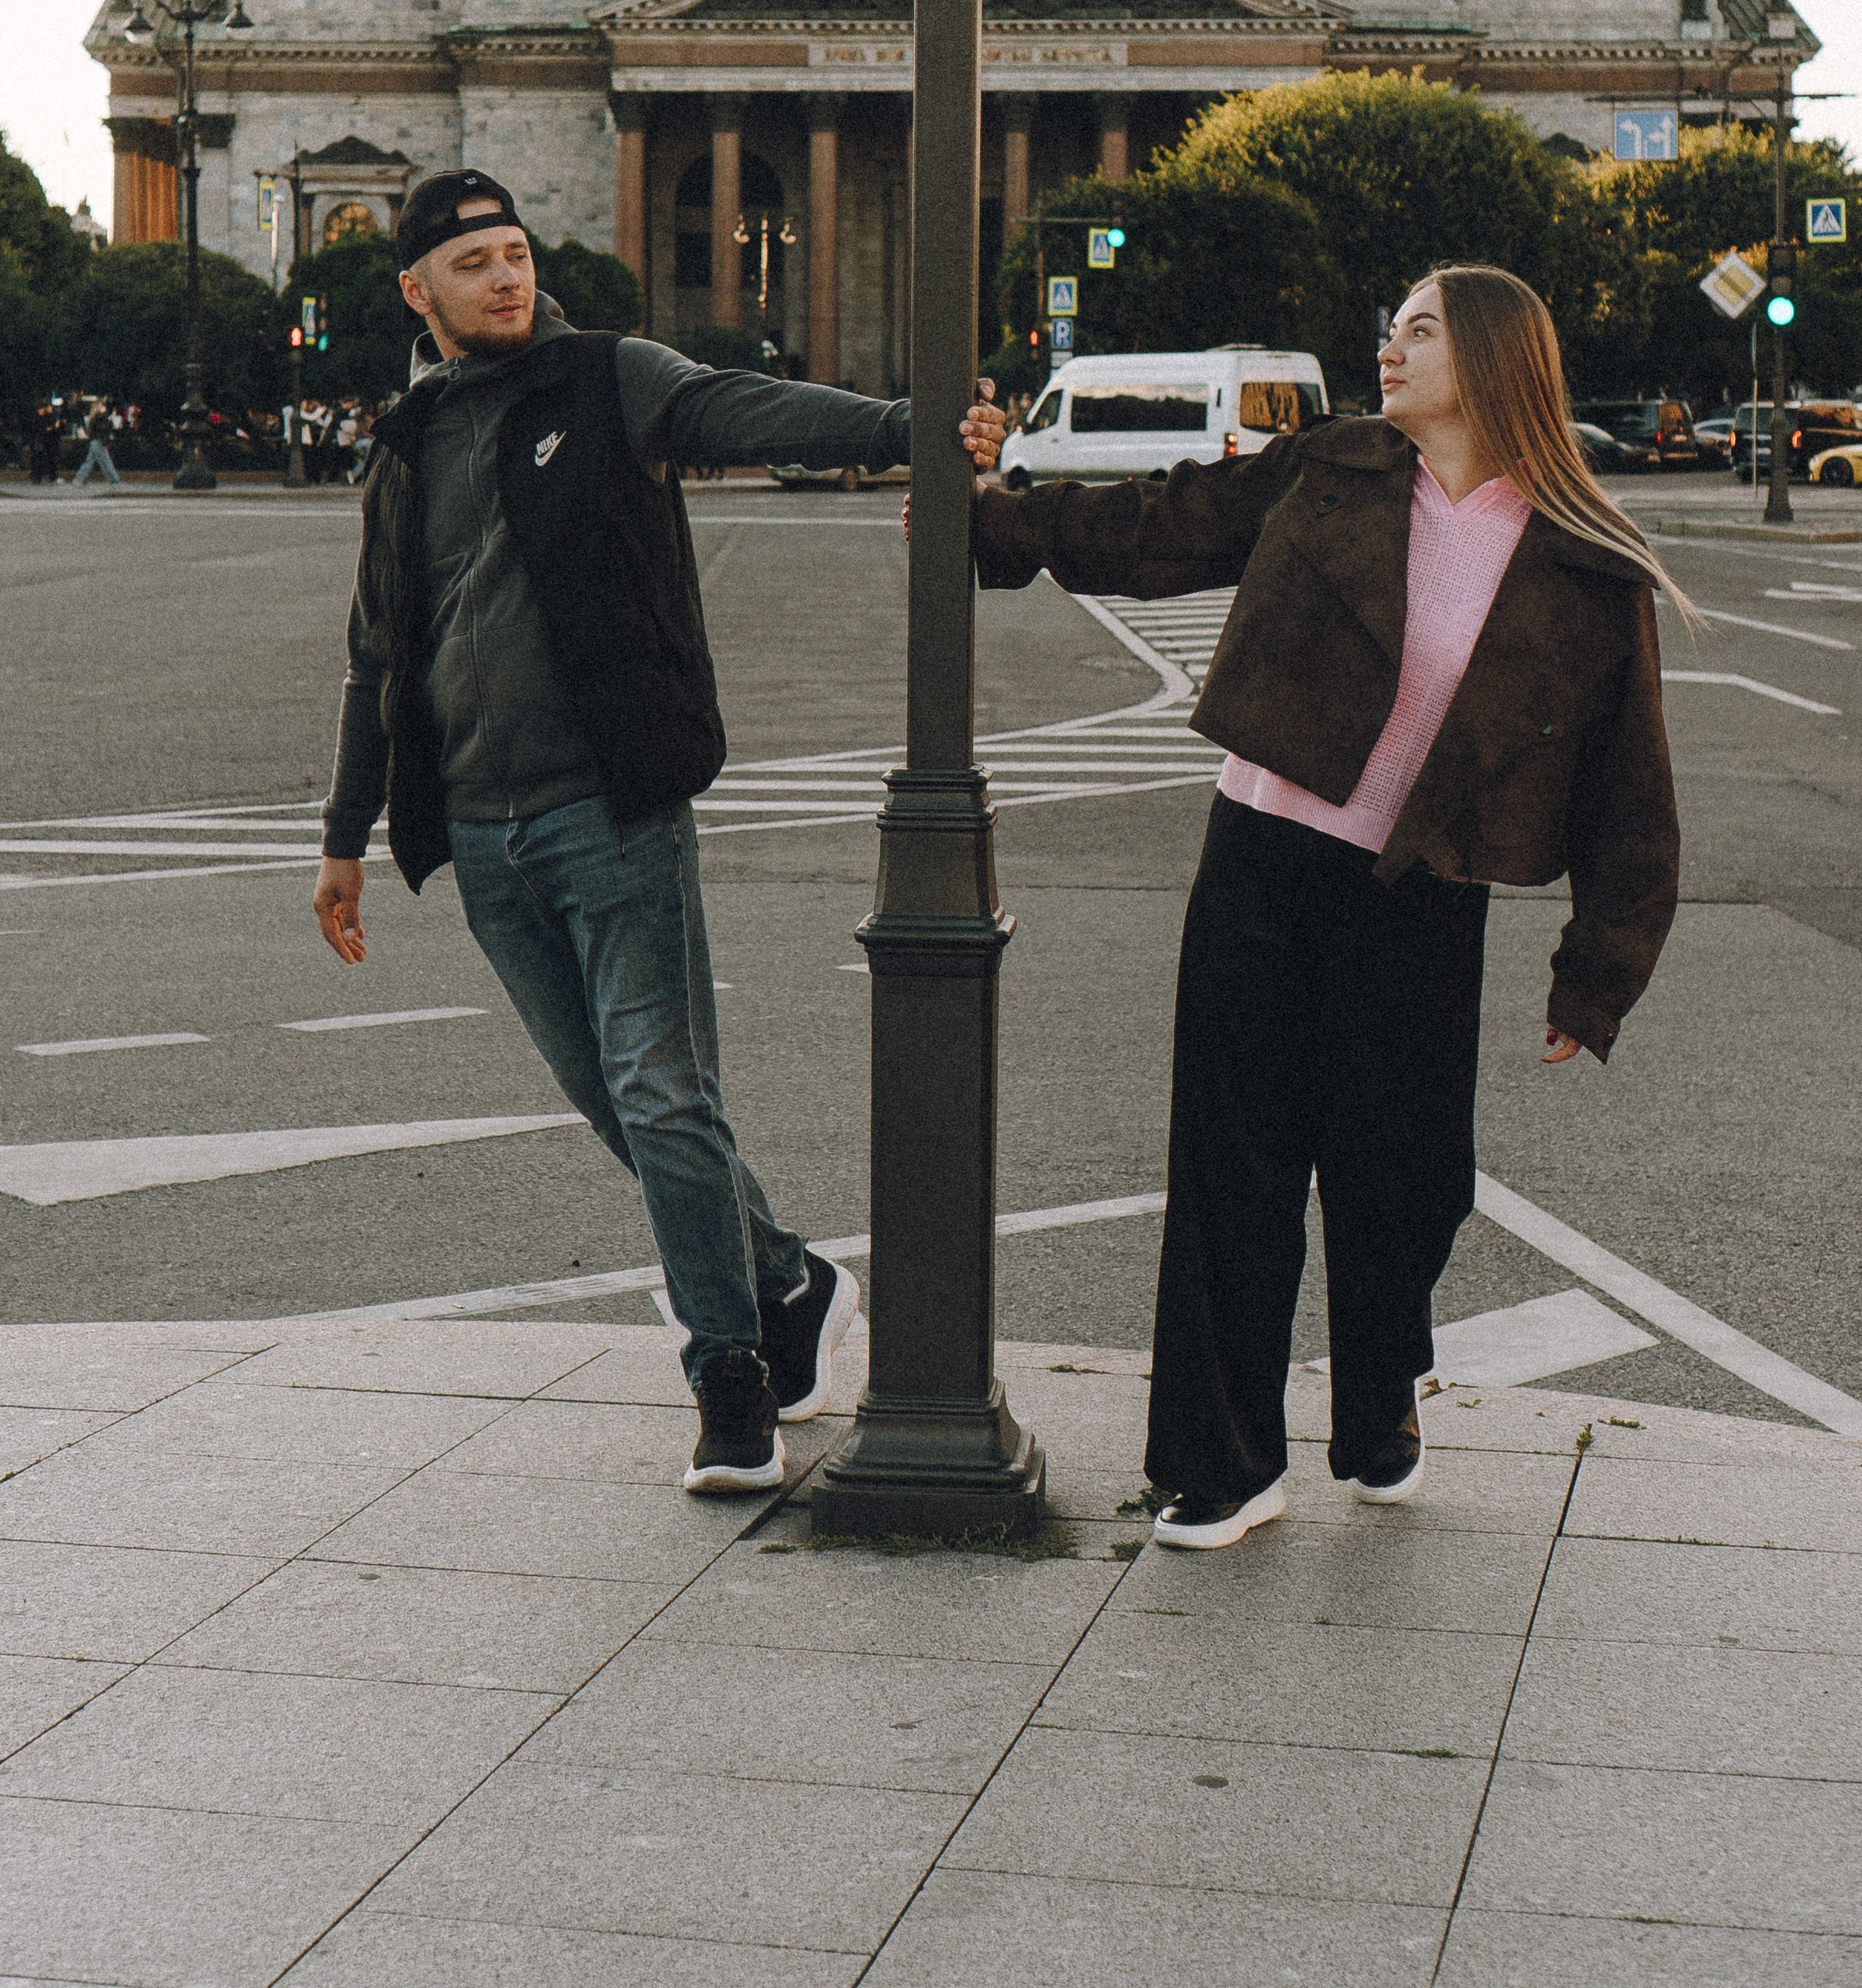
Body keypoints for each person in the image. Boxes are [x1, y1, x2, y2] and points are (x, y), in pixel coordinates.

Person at [312, 170, 1005, 1497]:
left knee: (660, 1090)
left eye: (516, 254)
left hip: (610, 811)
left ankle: (728, 1377)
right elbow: (374, 658)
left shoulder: (607, 378)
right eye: (475, 265)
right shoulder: (404, 446)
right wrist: (349, 836)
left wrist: (907, 429)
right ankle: (791, 1284)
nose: (506, 278)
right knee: (616, 1103)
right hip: (484, 834)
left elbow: (738, 407)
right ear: (418, 292)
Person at [971, 264, 1683, 1551]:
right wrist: (996, 519)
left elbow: (1630, 787)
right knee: (1231, 1170)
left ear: (1493, 361)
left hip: (1423, 896)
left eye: (1421, 330)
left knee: (1404, 1187)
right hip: (1261, 864)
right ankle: (1221, 1466)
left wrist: (1597, 974)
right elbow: (1160, 526)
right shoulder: (1335, 467)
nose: (1391, 347)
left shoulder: (1582, 563)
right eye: (1392, 327)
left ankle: (1380, 1397)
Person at [73, 403, 122, 487]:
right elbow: (105, 429)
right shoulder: (99, 418)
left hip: (95, 442)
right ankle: (114, 480)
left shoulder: (96, 418)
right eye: (102, 406)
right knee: (106, 462)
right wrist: (110, 420)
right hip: (99, 442)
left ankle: (79, 480)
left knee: (90, 461)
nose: (104, 408)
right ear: (98, 408)